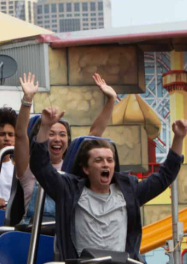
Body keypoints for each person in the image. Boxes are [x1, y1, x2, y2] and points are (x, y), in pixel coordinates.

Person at [30, 112, 187, 264]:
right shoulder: (69, 191)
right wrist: (45, 126)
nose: (105, 165)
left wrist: (179, 138)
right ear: (86, 168)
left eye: (109, 160)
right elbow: (41, 167)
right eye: (98, 160)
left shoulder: (129, 192)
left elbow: (164, 177)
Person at [14, 72, 114, 223]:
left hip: (64, 231)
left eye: (62, 134)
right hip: (33, 231)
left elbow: (94, 134)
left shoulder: (71, 167)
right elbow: (20, 134)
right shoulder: (28, 168)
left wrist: (111, 100)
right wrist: (27, 99)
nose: (57, 139)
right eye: (51, 134)